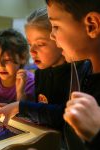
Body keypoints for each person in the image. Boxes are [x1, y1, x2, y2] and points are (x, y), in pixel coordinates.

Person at [0, 7, 91, 131]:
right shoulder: (41, 72)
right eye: (30, 44)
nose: (32, 51)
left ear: (58, 39)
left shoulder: (78, 73)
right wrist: (14, 109)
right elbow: (40, 111)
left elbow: (65, 116)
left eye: (40, 44)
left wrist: (21, 107)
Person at [45, 0, 100, 149]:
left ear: (92, 25)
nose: (51, 35)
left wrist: (96, 132)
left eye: (56, 26)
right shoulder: (83, 70)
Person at [0, 28, 35, 108]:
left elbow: (25, 111)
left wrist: (20, 92)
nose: (0, 65)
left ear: (22, 58)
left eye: (6, 59)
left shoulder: (30, 82)